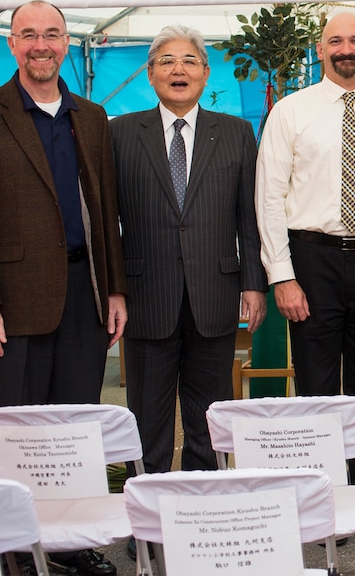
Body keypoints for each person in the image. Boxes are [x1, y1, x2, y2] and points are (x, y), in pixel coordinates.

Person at [255, 11, 355, 542]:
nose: (346, 48)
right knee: (317, 395)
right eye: (335, 41)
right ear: (320, 49)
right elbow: (270, 199)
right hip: (312, 262)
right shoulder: (290, 111)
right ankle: (322, 507)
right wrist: (283, 276)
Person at [0, 0, 127, 576]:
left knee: (77, 423)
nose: (41, 45)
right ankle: (18, 549)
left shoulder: (92, 116)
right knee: (19, 425)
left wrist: (116, 291)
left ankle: (74, 544)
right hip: (16, 296)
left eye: (52, 34)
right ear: (12, 45)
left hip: (85, 292)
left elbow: (106, 212)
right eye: (29, 35)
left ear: (68, 42)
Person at [111, 25, 267, 477]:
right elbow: (105, 219)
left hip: (214, 294)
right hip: (146, 295)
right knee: (147, 417)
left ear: (205, 73)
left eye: (189, 61)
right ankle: (149, 518)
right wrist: (112, 289)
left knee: (210, 415)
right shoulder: (119, 133)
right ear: (150, 74)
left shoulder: (236, 133)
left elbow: (248, 217)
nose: (178, 70)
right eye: (167, 61)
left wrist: (253, 285)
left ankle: (204, 508)